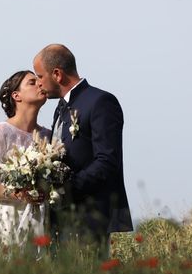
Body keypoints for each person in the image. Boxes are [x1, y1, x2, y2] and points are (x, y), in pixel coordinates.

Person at [33, 44, 133, 257]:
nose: (38, 83)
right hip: (60, 219)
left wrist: (67, 189)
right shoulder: (60, 108)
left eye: (40, 76)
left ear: (57, 74)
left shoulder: (100, 102)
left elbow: (107, 160)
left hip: (89, 217)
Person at [0, 70, 51, 250]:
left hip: (38, 220)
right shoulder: (0, 134)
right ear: (17, 96)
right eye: (32, 82)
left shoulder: (48, 136)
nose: (40, 84)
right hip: (5, 218)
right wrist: (18, 194)